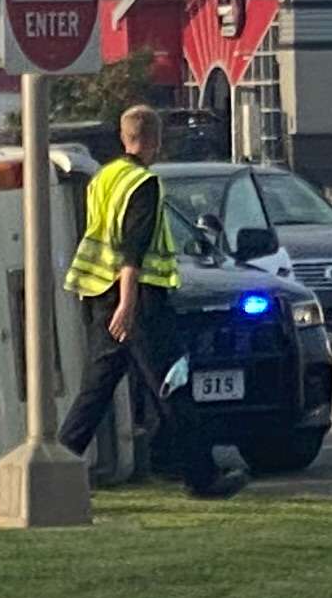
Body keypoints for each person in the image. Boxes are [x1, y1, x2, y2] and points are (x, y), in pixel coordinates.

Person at [57, 102, 230, 498]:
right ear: (155, 141)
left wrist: (115, 303)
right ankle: (202, 478)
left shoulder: (104, 177)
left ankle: (61, 464)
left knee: (96, 389)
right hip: (139, 303)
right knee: (173, 384)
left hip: (101, 294)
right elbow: (131, 250)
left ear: (124, 137)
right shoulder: (143, 184)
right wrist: (128, 304)